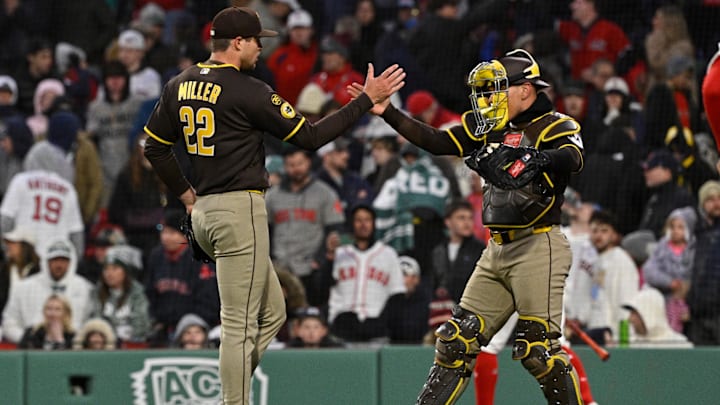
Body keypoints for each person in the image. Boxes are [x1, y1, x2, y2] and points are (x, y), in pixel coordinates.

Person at [142, 6, 404, 404]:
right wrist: (365, 100)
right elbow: (311, 138)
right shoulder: (249, 89)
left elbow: (155, 147)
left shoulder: (180, 83)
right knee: (239, 325)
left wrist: (187, 196)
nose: (261, 49)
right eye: (256, 41)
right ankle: (234, 401)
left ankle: (235, 389)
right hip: (239, 211)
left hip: (206, 213)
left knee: (275, 312)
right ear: (238, 43)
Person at [349, 48, 585, 404]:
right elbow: (439, 141)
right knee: (455, 340)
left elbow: (574, 156)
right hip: (497, 248)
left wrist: (536, 158)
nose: (490, 99)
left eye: (498, 89)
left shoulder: (555, 124)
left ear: (525, 89)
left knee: (541, 351)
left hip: (539, 245)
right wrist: (389, 113)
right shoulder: (490, 126)